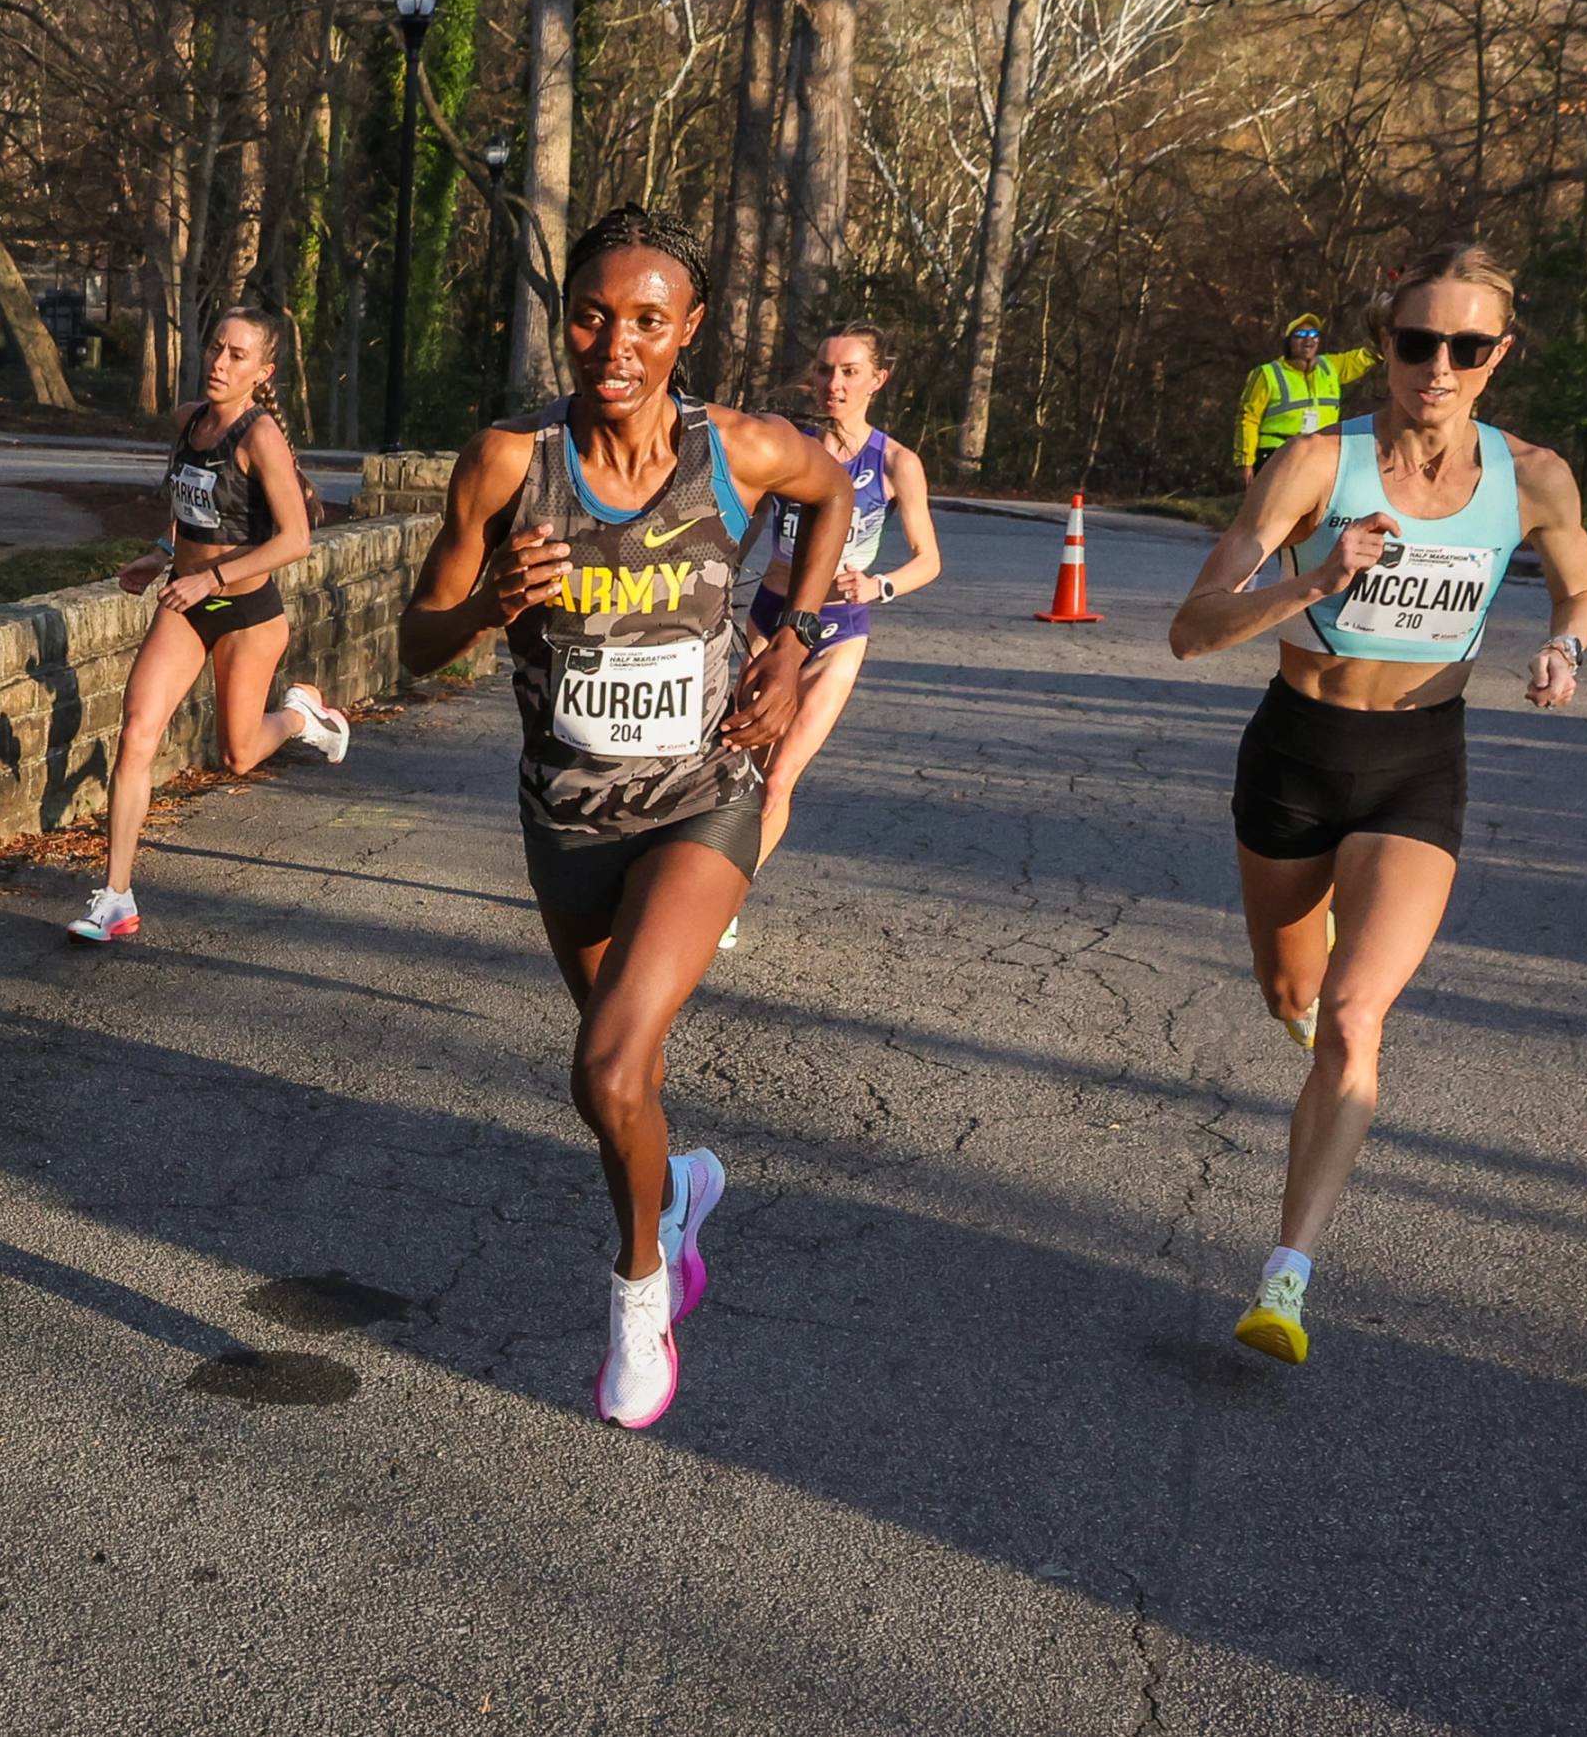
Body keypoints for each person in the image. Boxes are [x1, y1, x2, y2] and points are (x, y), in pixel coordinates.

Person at [397, 207, 858, 1428]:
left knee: (599, 1062)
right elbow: (415, 642)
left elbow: (828, 493)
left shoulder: (741, 451)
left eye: (649, 321)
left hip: (706, 798)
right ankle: (681, 1190)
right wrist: (492, 603)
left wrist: (792, 640)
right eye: (595, 314)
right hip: (568, 814)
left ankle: (640, 1287)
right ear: (567, 319)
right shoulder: (509, 461)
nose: (617, 342)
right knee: (628, 1088)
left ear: (687, 329)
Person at [1169, 241, 1587, 1367]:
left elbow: (1583, 580)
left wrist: (1564, 642)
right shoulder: (1320, 464)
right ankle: (1307, 1012)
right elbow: (1192, 625)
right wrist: (1315, 577)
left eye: (1468, 346)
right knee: (1291, 992)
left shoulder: (1534, 477)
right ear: (1387, 349)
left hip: (1419, 761)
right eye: (1420, 342)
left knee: (1358, 1019)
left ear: (1498, 355)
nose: (1441, 366)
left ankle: (1286, 1278)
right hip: (1295, 754)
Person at [73, 308, 353, 942]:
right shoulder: (189, 421)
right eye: (217, 348)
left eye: (237, 355)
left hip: (247, 612)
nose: (221, 363)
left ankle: (301, 717)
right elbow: (190, 512)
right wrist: (163, 554)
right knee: (138, 729)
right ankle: (116, 897)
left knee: (237, 755)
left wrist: (215, 578)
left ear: (263, 372)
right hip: (187, 601)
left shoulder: (261, 439)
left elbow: (297, 541)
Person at [733, 322, 944, 932]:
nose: (834, 383)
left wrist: (881, 585)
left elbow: (928, 558)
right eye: (825, 370)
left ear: (878, 379)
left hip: (839, 631)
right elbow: (747, 522)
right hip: (769, 622)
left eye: (850, 371)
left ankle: (726, 902)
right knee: (735, 765)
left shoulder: (898, 462)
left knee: (777, 780)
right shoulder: (788, 445)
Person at [1237, 311, 1379, 483]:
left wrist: (1386, 333)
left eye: (1314, 334)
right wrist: (1245, 462)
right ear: (1289, 341)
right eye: (1300, 334)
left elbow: (1367, 356)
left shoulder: (1330, 367)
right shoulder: (1267, 374)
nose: (1308, 340)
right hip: (1277, 453)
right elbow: (1248, 418)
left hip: (1319, 454)